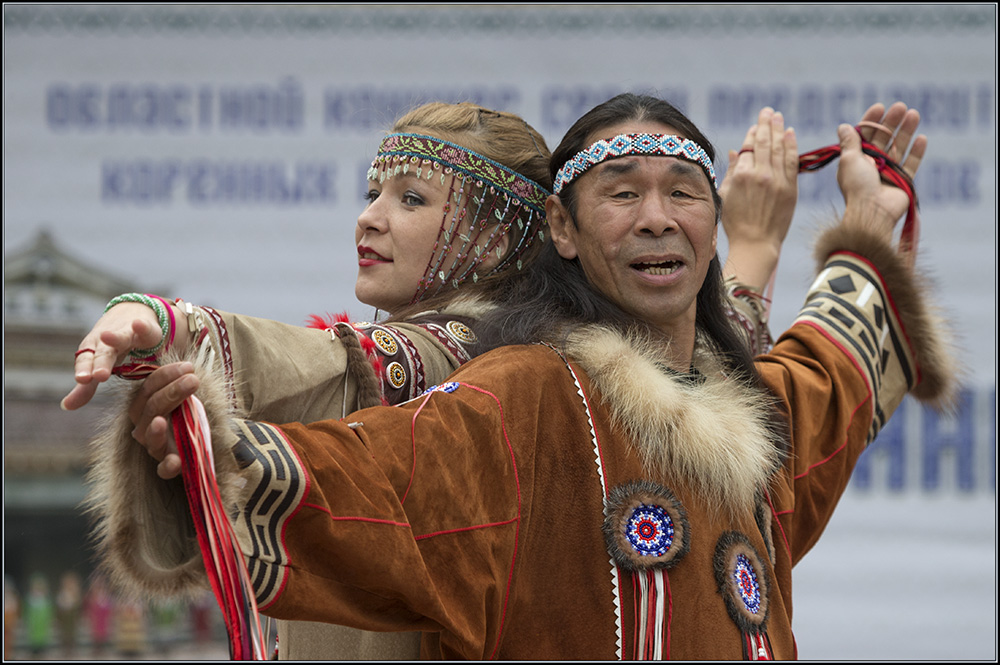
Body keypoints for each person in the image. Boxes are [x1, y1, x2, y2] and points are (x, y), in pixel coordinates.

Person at [103, 92, 953, 659]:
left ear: (714, 220)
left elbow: (831, 367)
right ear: (564, 228)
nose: (656, 216)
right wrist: (211, 451)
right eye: (621, 192)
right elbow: (381, 478)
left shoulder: (756, 427)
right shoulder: (529, 398)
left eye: (684, 192)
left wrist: (870, 217)